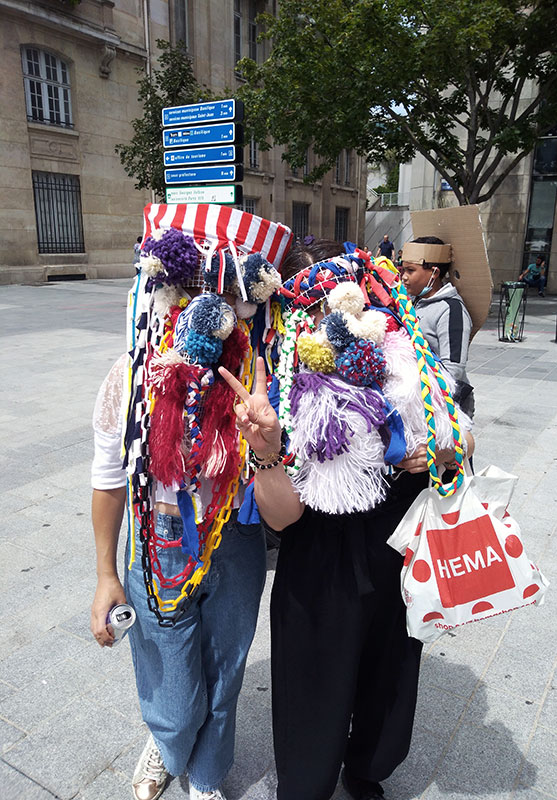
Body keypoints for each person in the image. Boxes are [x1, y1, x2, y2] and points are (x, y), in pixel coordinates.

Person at [221, 241, 474, 800]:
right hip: (317, 565)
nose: (328, 322)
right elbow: (283, 520)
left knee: (388, 673)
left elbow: (465, 435)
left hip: (398, 551)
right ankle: (309, 781)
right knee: (312, 685)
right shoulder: (278, 389)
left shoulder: (402, 360)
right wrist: (265, 451)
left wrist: (438, 450)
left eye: (339, 300)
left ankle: (367, 769)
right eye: (310, 308)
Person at [90, 204, 292, 800]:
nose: (205, 313)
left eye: (225, 297)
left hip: (236, 544)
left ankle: (205, 776)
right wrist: (105, 573)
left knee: (225, 677)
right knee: (175, 692)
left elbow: (286, 510)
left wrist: (267, 446)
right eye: (187, 291)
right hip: (159, 546)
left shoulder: (265, 385)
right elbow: (107, 480)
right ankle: (168, 738)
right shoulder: (129, 379)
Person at [399, 235, 474, 419]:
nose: (404, 277)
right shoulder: (414, 301)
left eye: (410, 270)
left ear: (434, 273)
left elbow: (453, 369)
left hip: (440, 408)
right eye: (403, 270)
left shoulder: (452, 310)